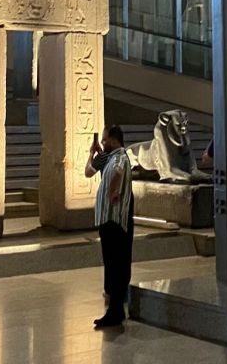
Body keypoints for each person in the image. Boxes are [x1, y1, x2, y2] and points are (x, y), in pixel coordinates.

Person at [85, 124, 133, 328]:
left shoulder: (120, 157)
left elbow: (119, 172)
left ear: (113, 140)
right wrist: (92, 153)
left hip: (113, 218)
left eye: (105, 140)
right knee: (112, 264)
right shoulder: (108, 157)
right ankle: (115, 310)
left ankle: (115, 311)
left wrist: (113, 190)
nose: (103, 143)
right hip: (107, 218)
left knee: (116, 264)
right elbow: (89, 171)